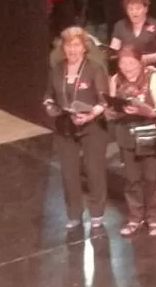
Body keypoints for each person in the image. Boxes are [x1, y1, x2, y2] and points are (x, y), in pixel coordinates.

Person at [43, 26, 109, 230]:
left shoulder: (94, 68)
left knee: (93, 170)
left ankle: (97, 214)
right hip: (65, 125)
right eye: (68, 45)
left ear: (84, 47)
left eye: (76, 45)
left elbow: (104, 101)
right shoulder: (57, 68)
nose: (72, 49)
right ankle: (74, 214)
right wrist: (48, 105)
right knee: (68, 172)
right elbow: (48, 95)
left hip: (92, 126)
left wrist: (90, 114)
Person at [107, 47, 156, 236]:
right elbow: (109, 111)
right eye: (123, 63)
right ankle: (135, 216)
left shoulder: (152, 77)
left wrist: (143, 110)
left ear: (140, 62)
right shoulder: (115, 79)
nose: (127, 68)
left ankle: (154, 217)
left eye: (131, 63)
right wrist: (114, 111)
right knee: (132, 179)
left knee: (151, 178)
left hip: (148, 132)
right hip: (126, 133)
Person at [109, 0, 156, 65]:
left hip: (150, 68)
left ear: (146, 9)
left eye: (138, 8)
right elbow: (114, 50)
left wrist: (146, 59)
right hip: (127, 68)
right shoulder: (119, 26)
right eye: (130, 9)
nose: (134, 12)